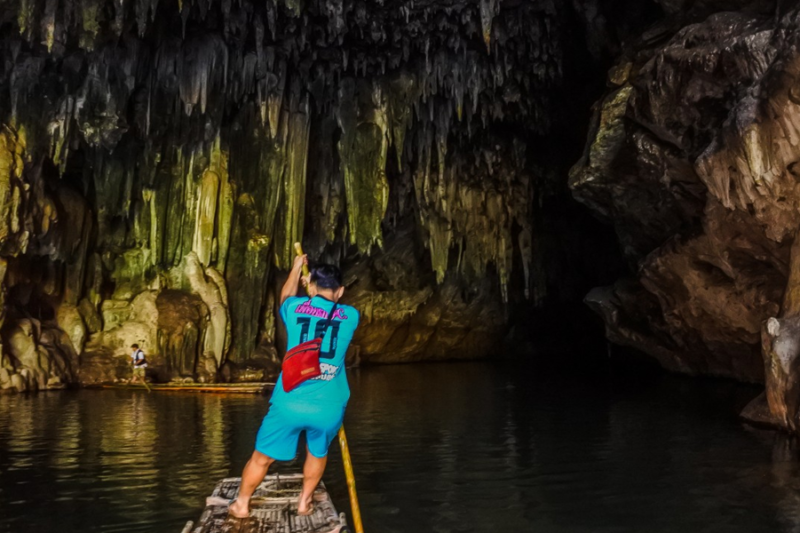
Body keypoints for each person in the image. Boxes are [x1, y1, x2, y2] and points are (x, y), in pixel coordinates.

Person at [229, 254, 360, 519]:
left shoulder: (296, 307)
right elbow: (326, 311)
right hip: (328, 405)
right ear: (341, 290)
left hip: (289, 401)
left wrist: (296, 269)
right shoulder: (350, 316)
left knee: (261, 457)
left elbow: (285, 298)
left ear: (310, 287)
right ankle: (304, 503)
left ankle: (241, 505)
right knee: (317, 452)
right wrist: (314, 293)